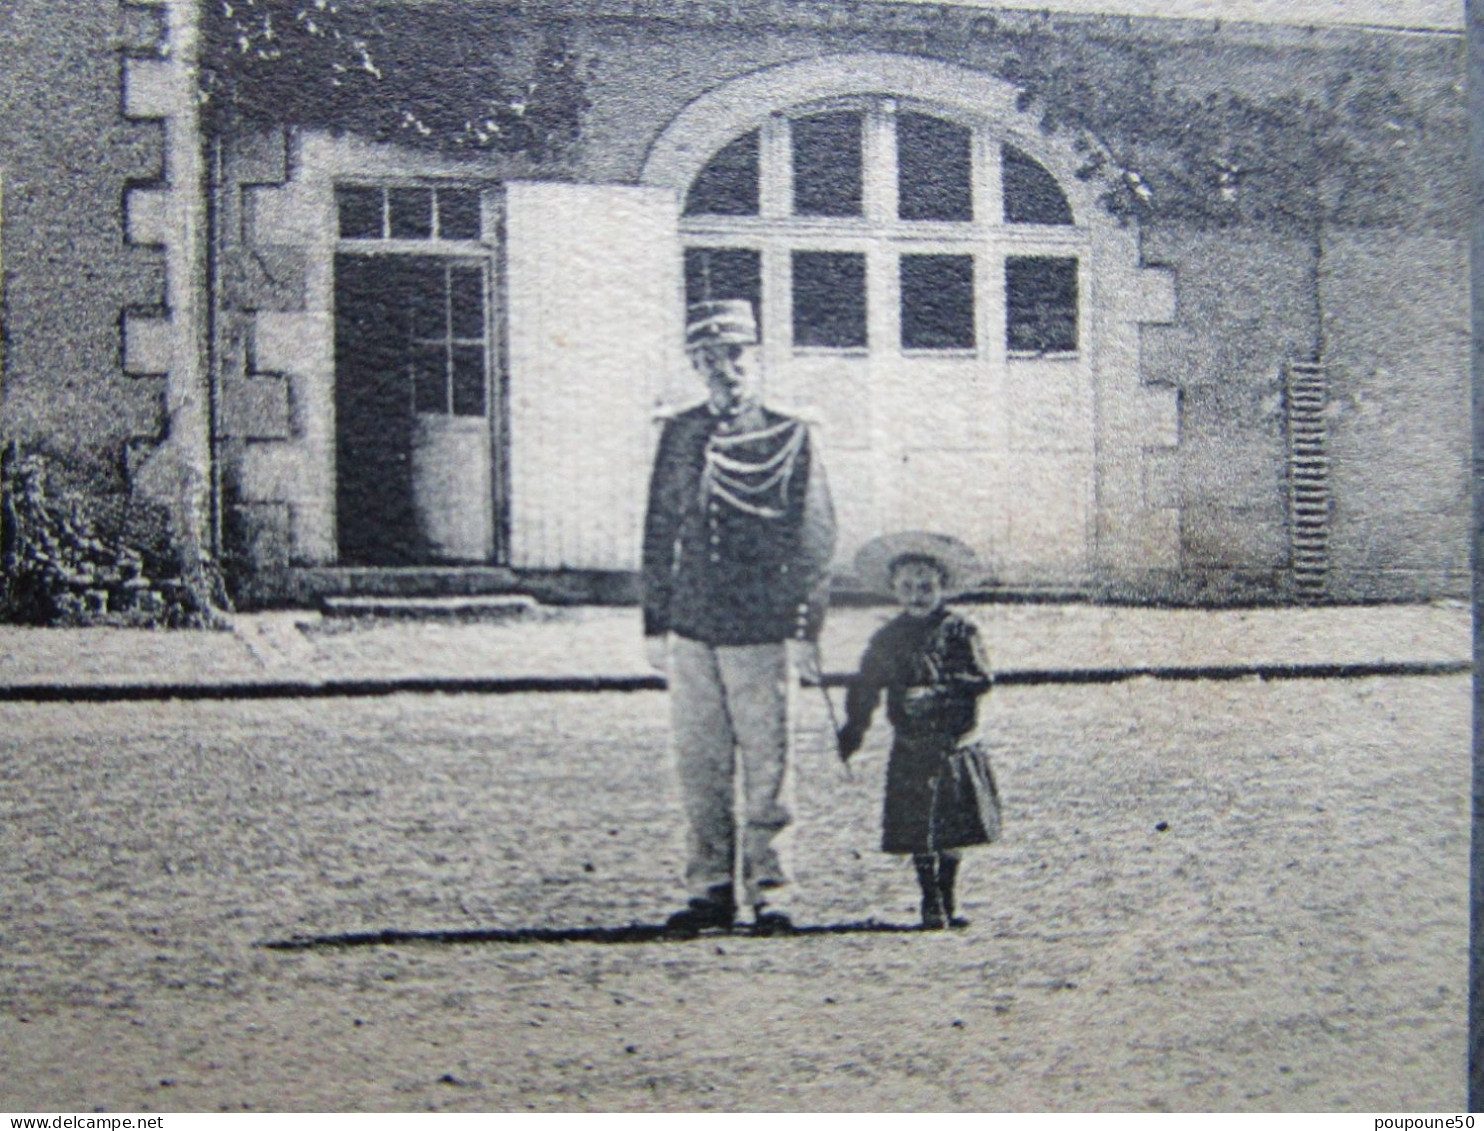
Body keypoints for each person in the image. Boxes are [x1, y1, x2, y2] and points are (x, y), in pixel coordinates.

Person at [643, 299, 836, 935]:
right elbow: (659, 528)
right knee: (699, 763)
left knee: (767, 762)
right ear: (694, 365)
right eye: (707, 358)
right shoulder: (679, 433)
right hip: (693, 622)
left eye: (733, 355)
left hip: (761, 625)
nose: (722, 369)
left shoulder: (789, 431)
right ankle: (711, 886)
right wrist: (655, 619)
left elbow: (814, 540)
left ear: (754, 357)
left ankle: (771, 886)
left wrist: (807, 626)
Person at [836, 532, 1002, 929]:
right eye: (908, 587)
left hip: (952, 744)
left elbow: (980, 679)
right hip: (912, 745)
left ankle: (949, 897)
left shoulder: (960, 631)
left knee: (951, 827)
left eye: (927, 587)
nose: (917, 595)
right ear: (894, 589)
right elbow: (865, 685)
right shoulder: (887, 638)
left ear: (942, 588)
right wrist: (853, 730)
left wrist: (940, 692)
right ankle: (929, 899)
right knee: (919, 826)